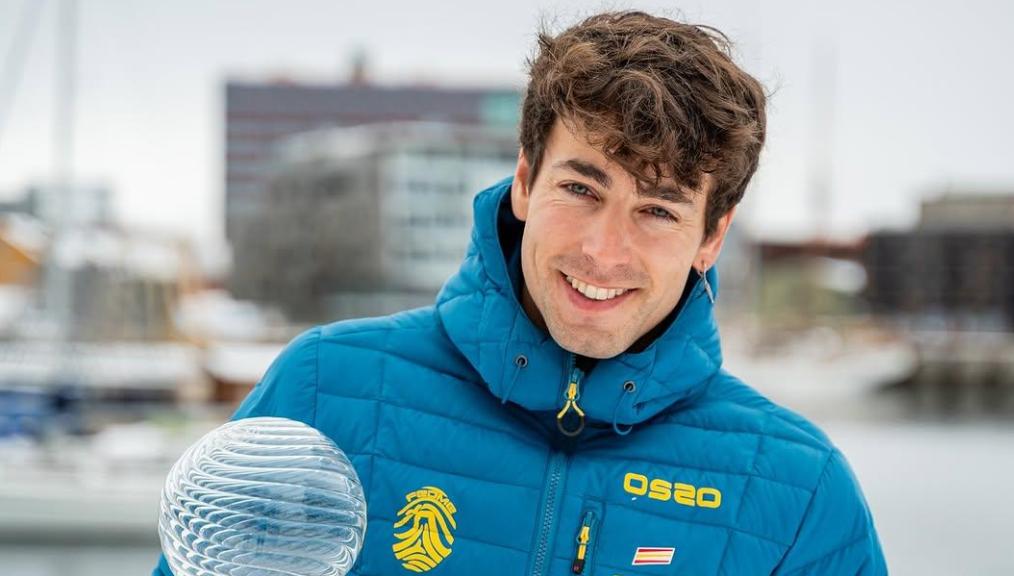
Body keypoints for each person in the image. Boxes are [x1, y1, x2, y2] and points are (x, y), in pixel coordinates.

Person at [154, 10, 886, 575]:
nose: (604, 251)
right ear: (526, 182)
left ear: (711, 237)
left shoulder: (799, 494)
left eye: (658, 211)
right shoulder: (324, 393)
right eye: (581, 189)